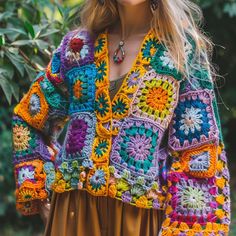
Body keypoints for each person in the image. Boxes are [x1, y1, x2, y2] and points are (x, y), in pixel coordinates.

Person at [12, 0, 231, 235]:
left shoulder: (181, 49)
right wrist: (41, 195)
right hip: (71, 216)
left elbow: (199, 152)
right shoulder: (77, 48)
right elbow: (28, 119)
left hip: (138, 220)